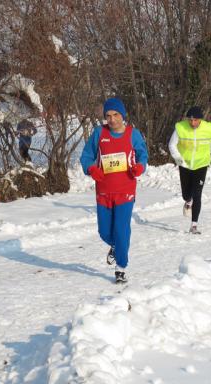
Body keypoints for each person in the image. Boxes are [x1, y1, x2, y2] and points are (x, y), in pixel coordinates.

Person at [80, 97, 148, 284]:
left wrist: (140, 167)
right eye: (108, 116)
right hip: (103, 191)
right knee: (104, 231)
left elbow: (143, 154)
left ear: (123, 115)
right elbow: (86, 156)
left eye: (115, 115)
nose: (112, 119)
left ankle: (121, 268)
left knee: (121, 229)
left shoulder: (133, 134)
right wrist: (91, 168)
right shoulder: (99, 133)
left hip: (125, 190)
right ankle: (116, 247)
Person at [168, 106, 211, 234]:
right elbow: (172, 144)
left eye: (195, 120)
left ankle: (194, 225)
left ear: (200, 119)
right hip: (185, 164)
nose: (192, 123)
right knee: (186, 194)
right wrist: (178, 159)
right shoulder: (180, 127)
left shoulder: (209, 128)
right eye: (190, 120)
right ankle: (188, 202)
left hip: (201, 164)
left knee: (197, 193)